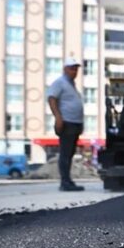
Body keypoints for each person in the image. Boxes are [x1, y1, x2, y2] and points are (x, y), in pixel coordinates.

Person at [47, 57, 85, 192]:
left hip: (75, 123)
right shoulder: (60, 83)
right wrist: (58, 117)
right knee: (65, 153)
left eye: (76, 69)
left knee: (70, 153)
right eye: (71, 68)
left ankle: (68, 180)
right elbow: (51, 98)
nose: (74, 71)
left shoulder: (72, 85)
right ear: (65, 69)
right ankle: (65, 182)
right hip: (67, 123)